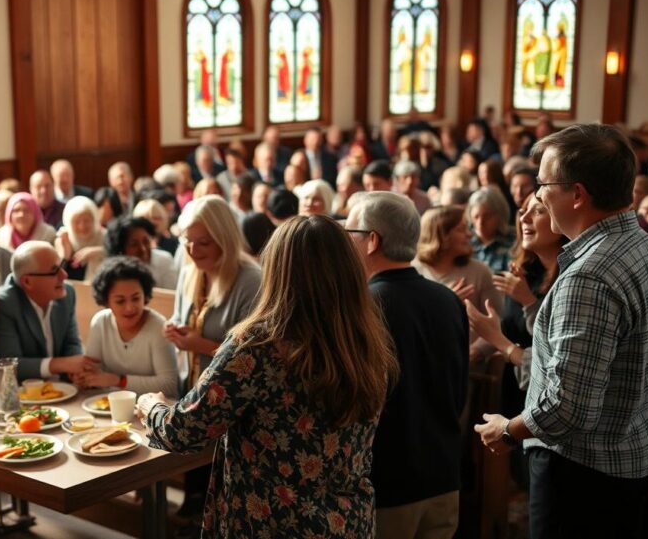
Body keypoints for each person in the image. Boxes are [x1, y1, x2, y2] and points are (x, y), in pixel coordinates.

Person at [137, 215, 398, 538]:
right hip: (346, 522)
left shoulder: (259, 345)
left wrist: (152, 407)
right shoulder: (366, 340)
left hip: (270, 524)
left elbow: (184, 431)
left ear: (277, 272)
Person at [475, 124, 648, 539]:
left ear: (577, 194)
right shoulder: (646, 245)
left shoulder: (589, 276)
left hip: (582, 472)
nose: (537, 196)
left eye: (543, 184)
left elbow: (568, 408)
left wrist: (507, 430)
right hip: (633, 454)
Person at [346, 192, 468, 539]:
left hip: (389, 480)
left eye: (349, 234)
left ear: (371, 241)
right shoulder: (447, 299)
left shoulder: (362, 308)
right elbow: (458, 392)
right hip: (443, 474)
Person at [166, 196, 262, 519]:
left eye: (203, 242)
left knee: (217, 489)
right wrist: (177, 332)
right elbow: (183, 315)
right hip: (193, 387)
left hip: (231, 403)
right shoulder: (191, 270)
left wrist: (200, 344)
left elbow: (252, 355)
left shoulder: (250, 279)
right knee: (194, 482)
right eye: (186, 241)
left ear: (224, 237)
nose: (192, 251)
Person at [467, 193, 566, 402]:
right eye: (523, 211)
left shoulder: (571, 276)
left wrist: (529, 302)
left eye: (538, 211)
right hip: (515, 391)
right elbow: (511, 331)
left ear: (561, 219)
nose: (524, 218)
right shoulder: (525, 273)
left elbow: (554, 349)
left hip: (547, 397)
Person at [74, 257, 179, 398]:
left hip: (154, 409)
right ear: (106, 301)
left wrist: (119, 380)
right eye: (120, 301)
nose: (129, 308)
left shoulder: (158, 326)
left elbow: (170, 385)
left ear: (145, 296)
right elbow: (92, 372)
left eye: (136, 298)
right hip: (109, 406)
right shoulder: (100, 322)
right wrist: (84, 379)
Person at [0, 241, 93, 381]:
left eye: (61, 267)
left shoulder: (67, 293)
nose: (64, 275)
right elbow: (10, 364)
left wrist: (76, 370)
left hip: (62, 389)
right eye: (54, 271)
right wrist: (59, 365)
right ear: (27, 281)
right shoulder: (4, 303)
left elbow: (72, 342)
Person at [414, 205, 501, 352]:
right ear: (441, 235)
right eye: (461, 229)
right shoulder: (414, 271)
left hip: (472, 369)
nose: (470, 234)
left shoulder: (480, 272)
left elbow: (497, 325)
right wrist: (447, 302)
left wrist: (473, 353)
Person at [104, 216, 178, 290]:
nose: (143, 249)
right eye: (134, 244)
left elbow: (172, 295)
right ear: (121, 248)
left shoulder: (164, 260)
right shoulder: (115, 270)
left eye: (146, 242)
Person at [55, 196, 105, 281]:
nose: (82, 226)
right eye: (77, 222)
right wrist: (65, 256)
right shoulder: (63, 238)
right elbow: (55, 275)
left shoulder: (104, 237)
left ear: (94, 220)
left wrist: (98, 251)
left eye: (86, 221)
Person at [468, 187, 515, 273]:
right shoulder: (465, 243)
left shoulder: (513, 241)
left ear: (500, 215)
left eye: (487, 216)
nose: (481, 223)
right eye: (476, 217)